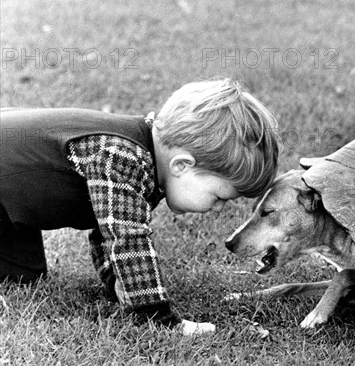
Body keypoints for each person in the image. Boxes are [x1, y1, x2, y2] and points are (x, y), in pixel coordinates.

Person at [0, 79, 280, 335]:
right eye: (219, 197)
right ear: (182, 165)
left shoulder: (151, 163)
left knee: (23, 279)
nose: (218, 208)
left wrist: (116, 282)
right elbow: (127, 237)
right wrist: (155, 315)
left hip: (10, 202)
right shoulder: (121, 155)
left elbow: (105, 226)